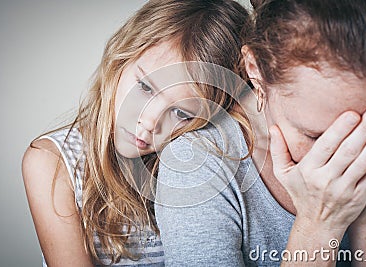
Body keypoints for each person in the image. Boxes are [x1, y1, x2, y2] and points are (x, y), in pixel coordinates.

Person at [155, 0, 366, 266]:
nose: (353, 158)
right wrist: (319, 223)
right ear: (255, 71)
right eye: (316, 136)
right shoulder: (197, 163)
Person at [21, 0, 251, 266]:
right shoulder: (53, 163)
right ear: (120, 58)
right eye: (144, 86)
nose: (150, 122)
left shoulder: (199, 167)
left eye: (181, 113)